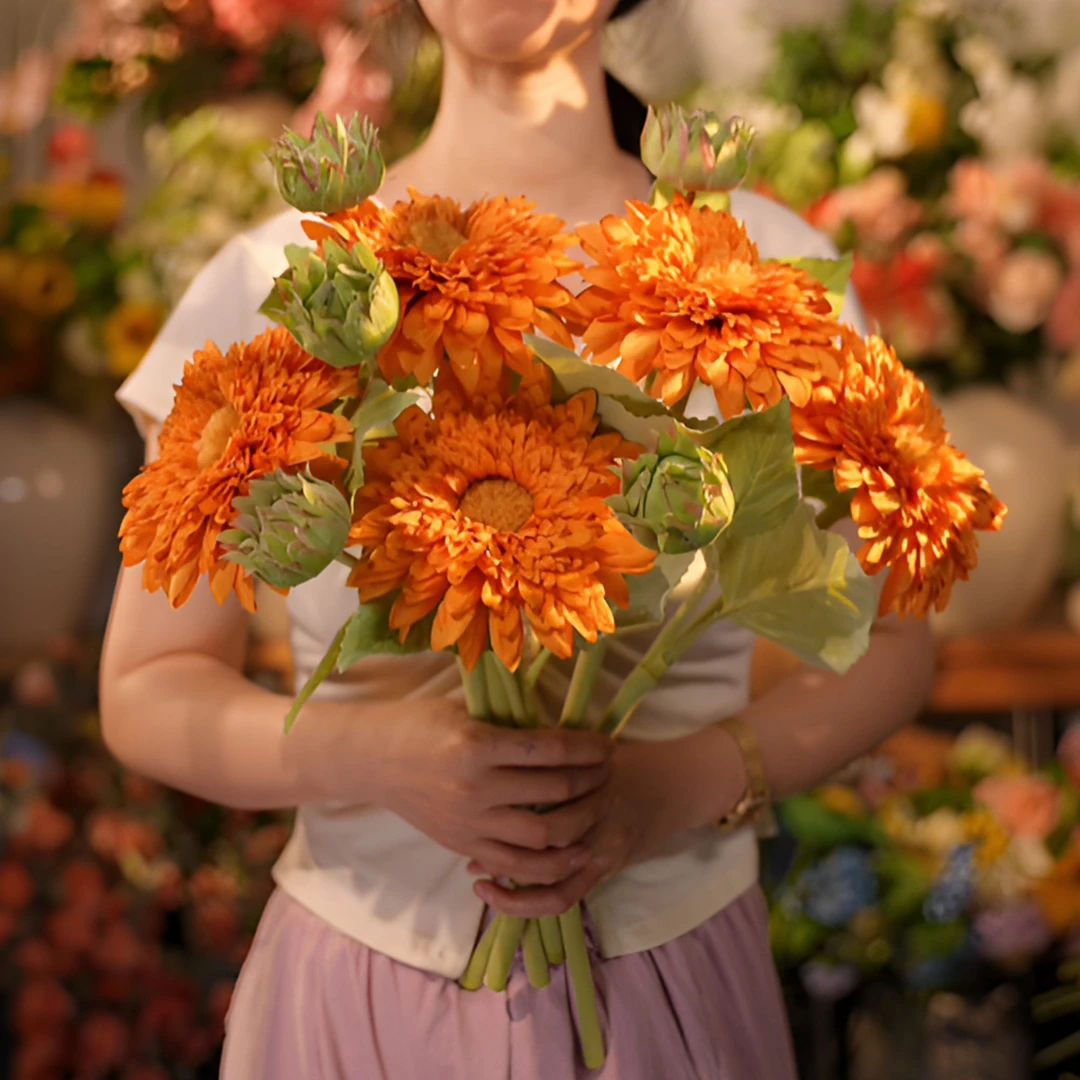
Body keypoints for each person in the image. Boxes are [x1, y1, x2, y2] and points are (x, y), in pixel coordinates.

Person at [101, 1, 937, 1076]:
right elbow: (148, 686)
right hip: (352, 984)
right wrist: (376, 755)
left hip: (673, 979)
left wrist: (678, 784)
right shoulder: (275, 282)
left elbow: (897, 644)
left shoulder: (766, 271)